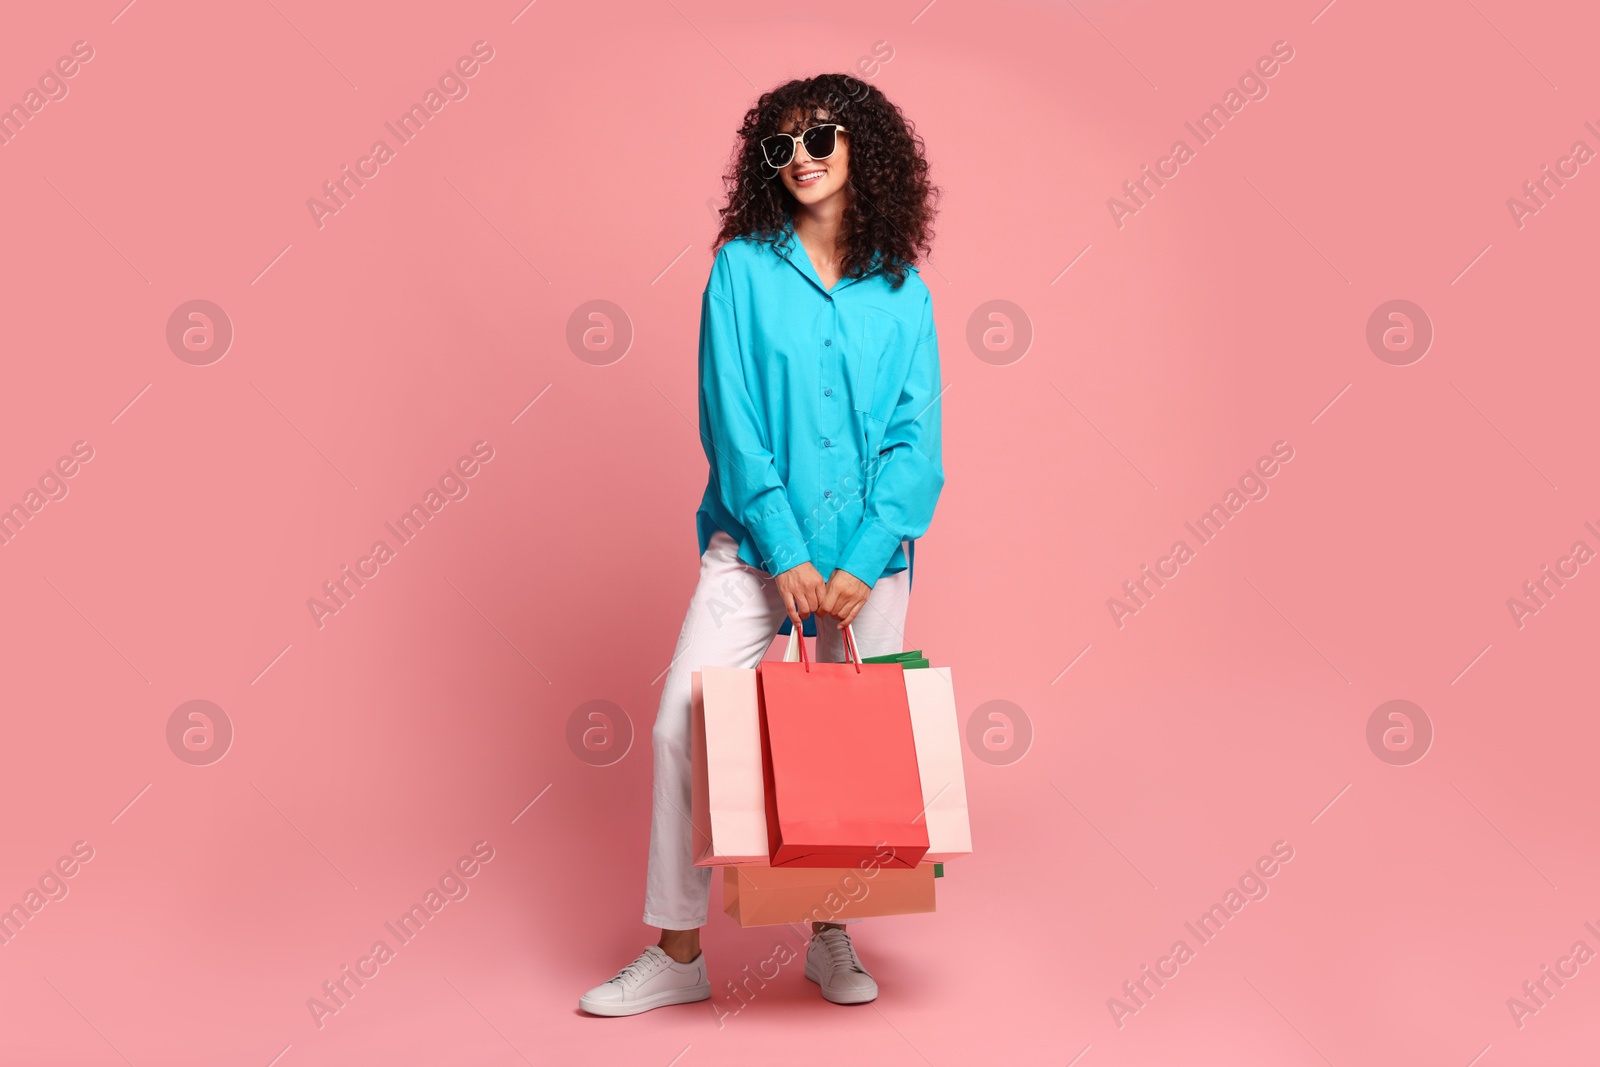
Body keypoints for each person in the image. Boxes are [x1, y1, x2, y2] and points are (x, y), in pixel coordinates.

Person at [579, 72, 944, 1017]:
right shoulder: (740, 269)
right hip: (753, 553)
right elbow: (730, 421)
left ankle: (829, 934)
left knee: (846, 755)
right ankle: (678, 952)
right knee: (676, 726)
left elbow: (918, 445)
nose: (802, 160)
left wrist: (860, 563)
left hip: (868, 566)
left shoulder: (903, 292)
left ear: (863, 144)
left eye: (820, 137)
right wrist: (785, 552)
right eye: (781, 148)